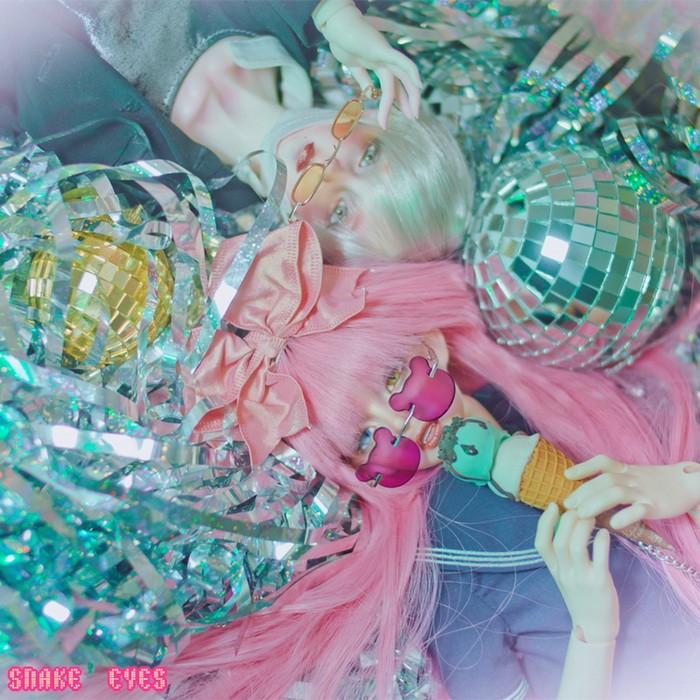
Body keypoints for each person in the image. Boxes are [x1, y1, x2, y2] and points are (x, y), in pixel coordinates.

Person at [173, 224, 700, 699]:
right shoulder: (445, 574)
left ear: (430, 344)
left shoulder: (562, 396)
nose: (401, 422)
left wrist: (686, 484)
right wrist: (593, 634)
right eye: (364, 435)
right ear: (357, 467)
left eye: (391, 378)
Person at [0, 0, 472, 264]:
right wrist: (331, 11)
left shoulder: (138, 195)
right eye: (368, 158)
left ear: (312, 246)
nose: (329, 170)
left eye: (341, 211)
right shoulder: (292, 16)